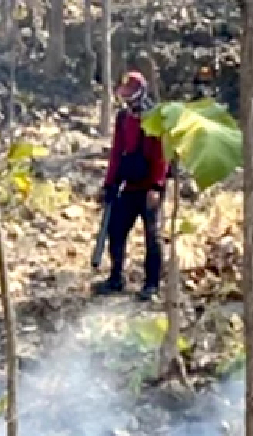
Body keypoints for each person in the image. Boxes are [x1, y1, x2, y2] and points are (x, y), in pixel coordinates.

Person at [95, 72, 168, 301]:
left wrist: (156, 187)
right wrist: (109, 183)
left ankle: (152, 284)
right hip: (129, 185)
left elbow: (162, 155)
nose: (128, 102)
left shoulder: (157, 118)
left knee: (152, 236)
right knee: (116, 230)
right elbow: (117, 152)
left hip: (150, 186)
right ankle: (116, 277)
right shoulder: (122, 118)